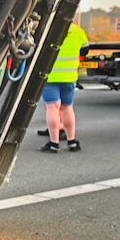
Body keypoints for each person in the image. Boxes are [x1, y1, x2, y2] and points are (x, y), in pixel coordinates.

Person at [41, 22, 90, 152]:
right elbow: (85, 50)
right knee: (67, 108)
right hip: (70, 77)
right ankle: (72, 141)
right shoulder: (78, 31)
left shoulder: (50, 29)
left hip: (51, 77)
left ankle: (54, 144)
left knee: (52, 108)